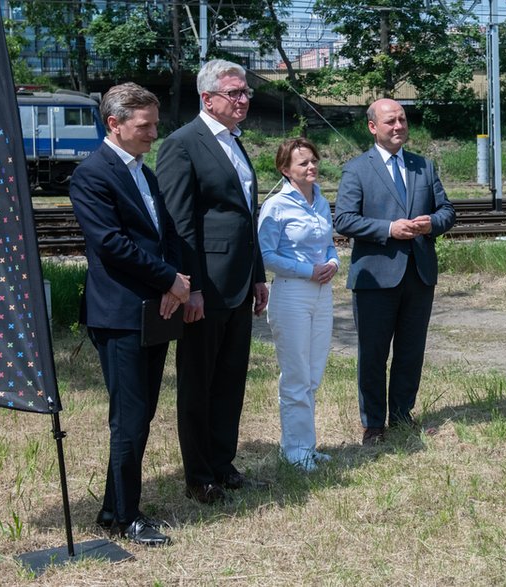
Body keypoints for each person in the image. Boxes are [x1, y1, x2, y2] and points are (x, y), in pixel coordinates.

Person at [70, 83, 190, 546]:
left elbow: (166, 234)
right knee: (130, 416)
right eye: (145, 126)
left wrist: (174, 283)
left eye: (156, 124)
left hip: (154, 308)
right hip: (120, 313)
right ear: (114, 123)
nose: (154, 133)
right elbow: (111, 245)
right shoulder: (92, 175)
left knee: (141, 412)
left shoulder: (146, 172)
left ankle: (110, 507)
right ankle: (126, 516)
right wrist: (167, 280)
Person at [156, 59, 269, 504]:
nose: (243, 100)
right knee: (199, 383)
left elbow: (246, 218)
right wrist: (191, 286)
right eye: (234, 93)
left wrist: (259, 275)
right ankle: (199, 474)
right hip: (206, 288)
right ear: (208, 99)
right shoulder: (183, 144)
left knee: (230, 379)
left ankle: (223, 462)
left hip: (240, 284)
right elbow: (179, 224)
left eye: (245, 93)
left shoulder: (235, 143)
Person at [334, 98, 456, 446]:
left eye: (402, 119)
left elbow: (447, 211)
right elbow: (343, 219)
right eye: (390, 121)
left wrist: (431, 222)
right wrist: (389, 229)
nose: (399, 126)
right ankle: (373, 424)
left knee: (410, 351)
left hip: (419, 275)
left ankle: (402, 415)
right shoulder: (357, 169)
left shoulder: (424, 166)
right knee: (373, 353)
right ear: (373, 127)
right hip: (375, 278)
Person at [258, 138, 339, 472]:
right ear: (285, 169)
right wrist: (309, 270)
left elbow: (329, 245)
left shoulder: (320, 201)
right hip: (292, 293)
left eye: (314, 160)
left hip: (322, 294)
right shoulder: (276, 206)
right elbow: (266, 254)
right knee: (296, 375)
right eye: (303, 163)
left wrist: (333, 263)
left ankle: (306, 446)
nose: (311, 167)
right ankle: (295, 452)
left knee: (314, 375)